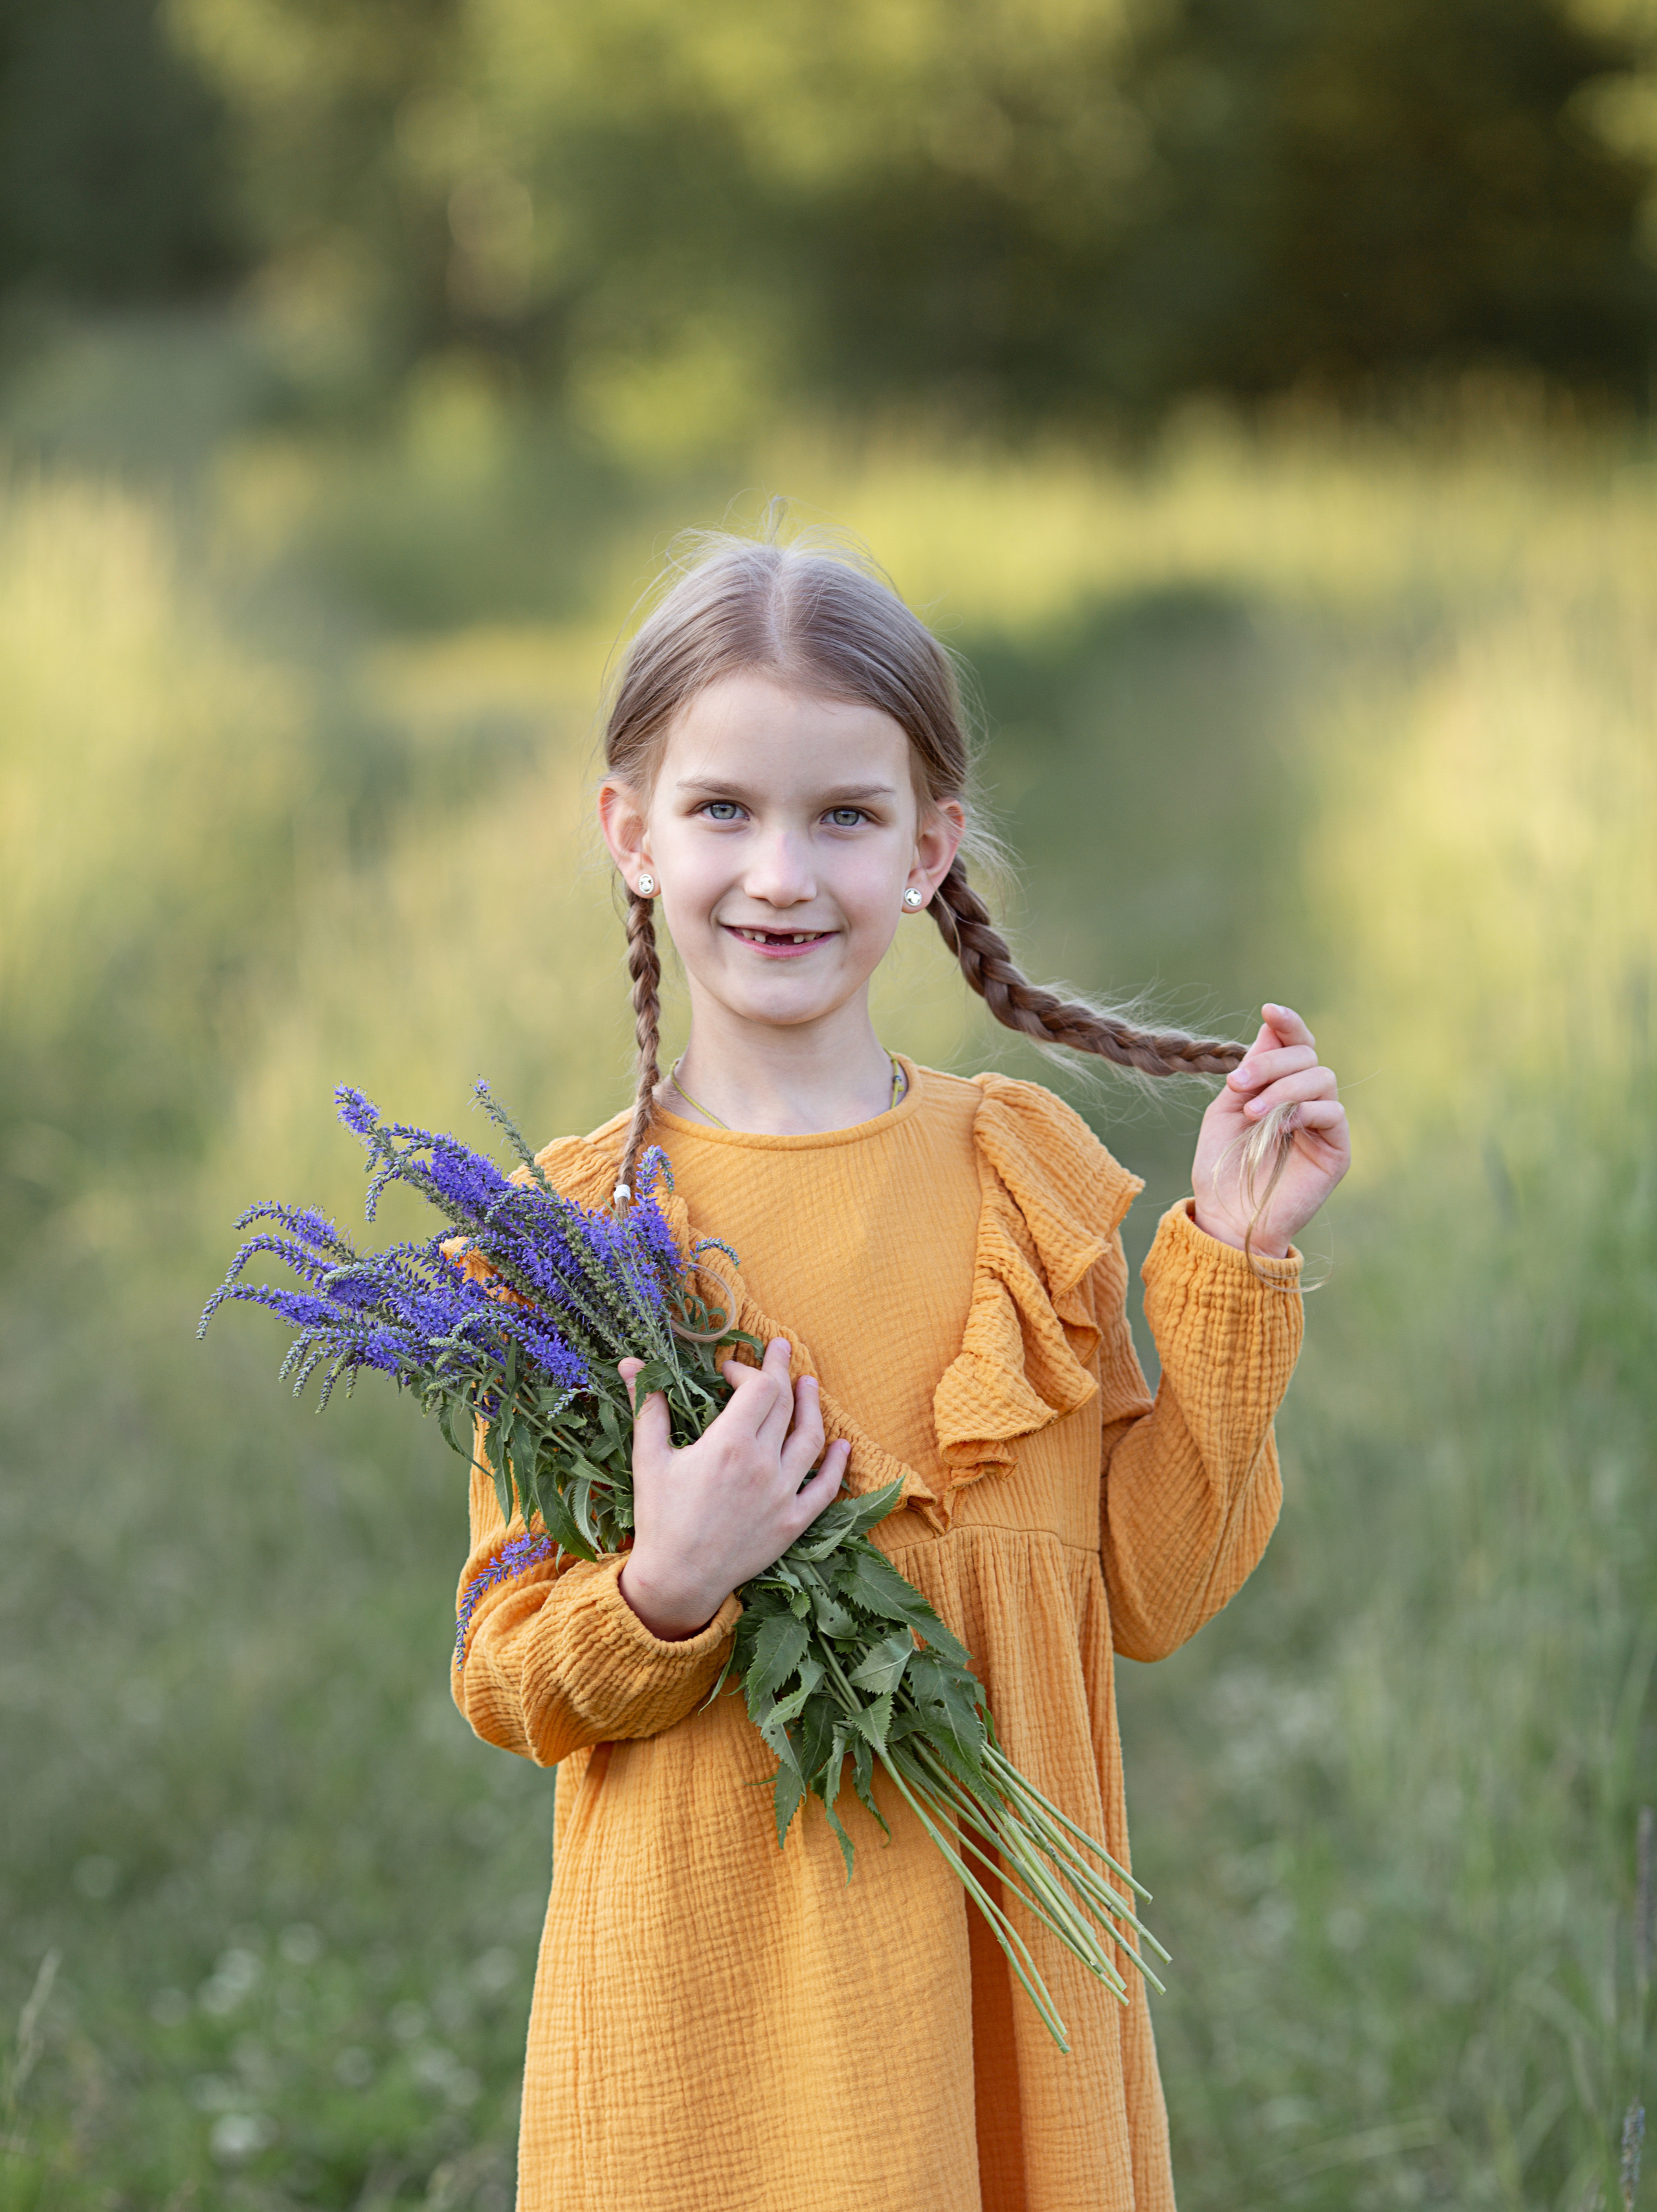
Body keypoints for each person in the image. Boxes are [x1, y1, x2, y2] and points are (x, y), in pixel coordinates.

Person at [451, 525, 1350, 2212]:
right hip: (704, 2034)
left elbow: (1147, 1583)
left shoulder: (1018, 1174)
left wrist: (1234, 1254)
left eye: (844, 815)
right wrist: (669, 1579)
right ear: (628, 833)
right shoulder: (571, 1241)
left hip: (1000, 2025)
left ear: (933, 845)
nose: (780, 871)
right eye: (723, 808)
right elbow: (507, 1673)